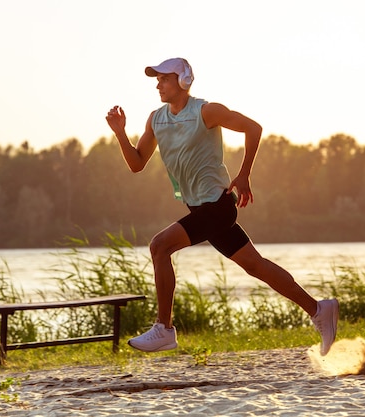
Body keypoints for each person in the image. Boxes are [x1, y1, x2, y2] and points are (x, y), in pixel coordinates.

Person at [105, 57, 339, 356]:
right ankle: (319, 309)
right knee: (255, 266)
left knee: (159, 246)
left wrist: (244, 174)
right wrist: (120, 133)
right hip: (198, 209)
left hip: (217, 206)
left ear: (183, 81)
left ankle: (164, 328)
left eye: (163, 78)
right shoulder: (156, 119)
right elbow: (137, 164)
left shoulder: (206, 111)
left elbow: (253, 128)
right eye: (157, 78)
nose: (158, 84)